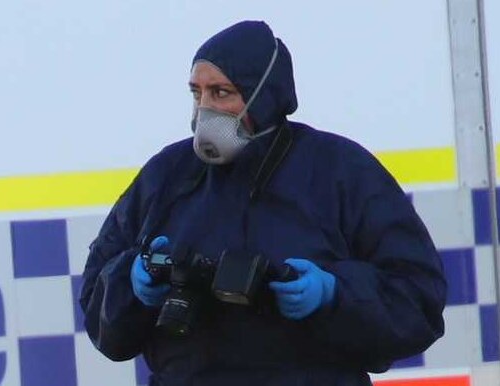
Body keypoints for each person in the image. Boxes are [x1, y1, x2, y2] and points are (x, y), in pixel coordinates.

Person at [79, 20, 446, 386]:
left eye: (221, 93)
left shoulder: (339, 171)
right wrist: (131, 284)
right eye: (197, 93)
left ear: (263, 95)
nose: (204, 110)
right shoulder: (167, 176)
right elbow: (98, 312)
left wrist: (334, 293)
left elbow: (418, 300)